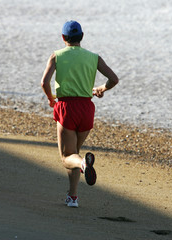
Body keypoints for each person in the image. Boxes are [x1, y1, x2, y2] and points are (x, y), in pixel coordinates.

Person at [41, 20, 119, 207]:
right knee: (74, 154)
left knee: (67, 158)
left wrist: (51, 99)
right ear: (82, 37)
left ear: (63, 38)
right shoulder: (94, 57)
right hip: (86, 109)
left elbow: (44, 82)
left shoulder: (57, 56)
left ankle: (84, 165)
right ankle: (73, 197)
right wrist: (101, 88)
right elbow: (113, 79)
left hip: (67, 108)